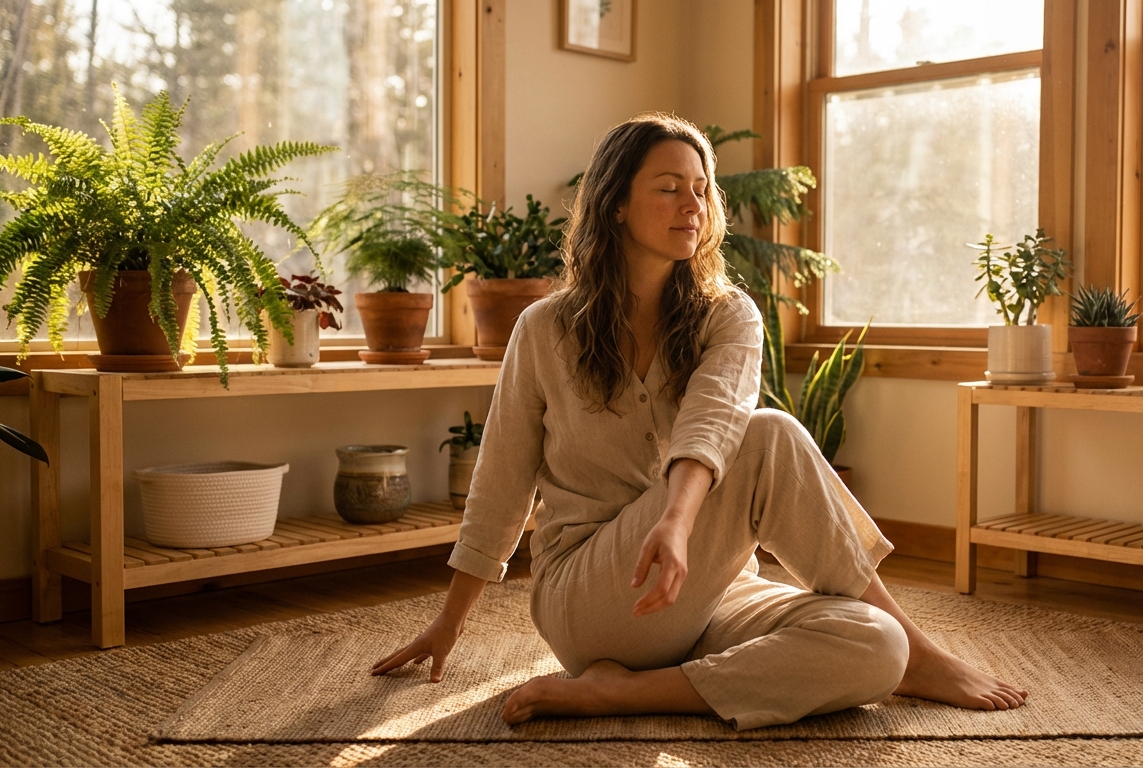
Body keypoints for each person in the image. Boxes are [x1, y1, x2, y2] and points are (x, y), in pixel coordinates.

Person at [372, 113, 1027, 730]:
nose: (693, 204)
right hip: (592, 598)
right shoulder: (544, 328)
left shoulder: (728, 314)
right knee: (771, 435)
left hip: (706, 591)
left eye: (701, 189)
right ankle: (926, 656)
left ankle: (624, 693)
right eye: (668, 188)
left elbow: (714, 420)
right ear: (616, 204)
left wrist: (678, 522)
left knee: (874, 646)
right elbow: (502, 481)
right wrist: (450, 623)